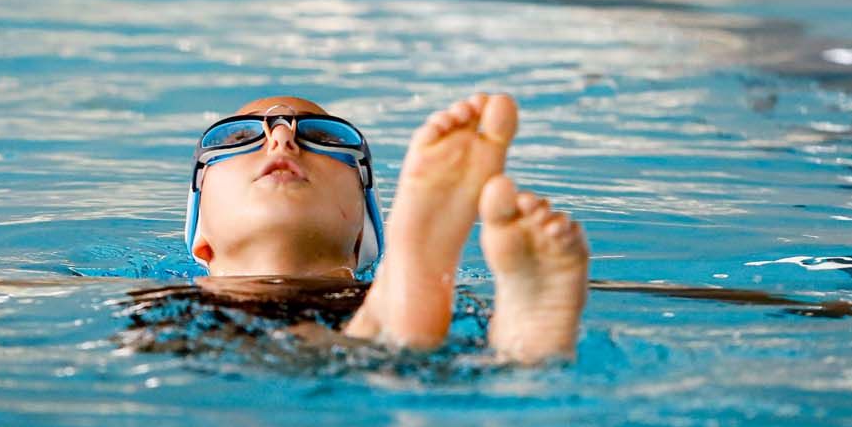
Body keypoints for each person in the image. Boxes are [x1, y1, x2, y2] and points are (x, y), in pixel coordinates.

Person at [185, 93, 590, 364]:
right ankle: (520, 357)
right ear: (201, 239)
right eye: (238, 136)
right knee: (445, 363)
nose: (282, 138)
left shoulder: (162, 314)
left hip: (232, 365)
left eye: (323, 137)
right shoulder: (158, 311)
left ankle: (521, 344)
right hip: (407, 348)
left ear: (363, 235)